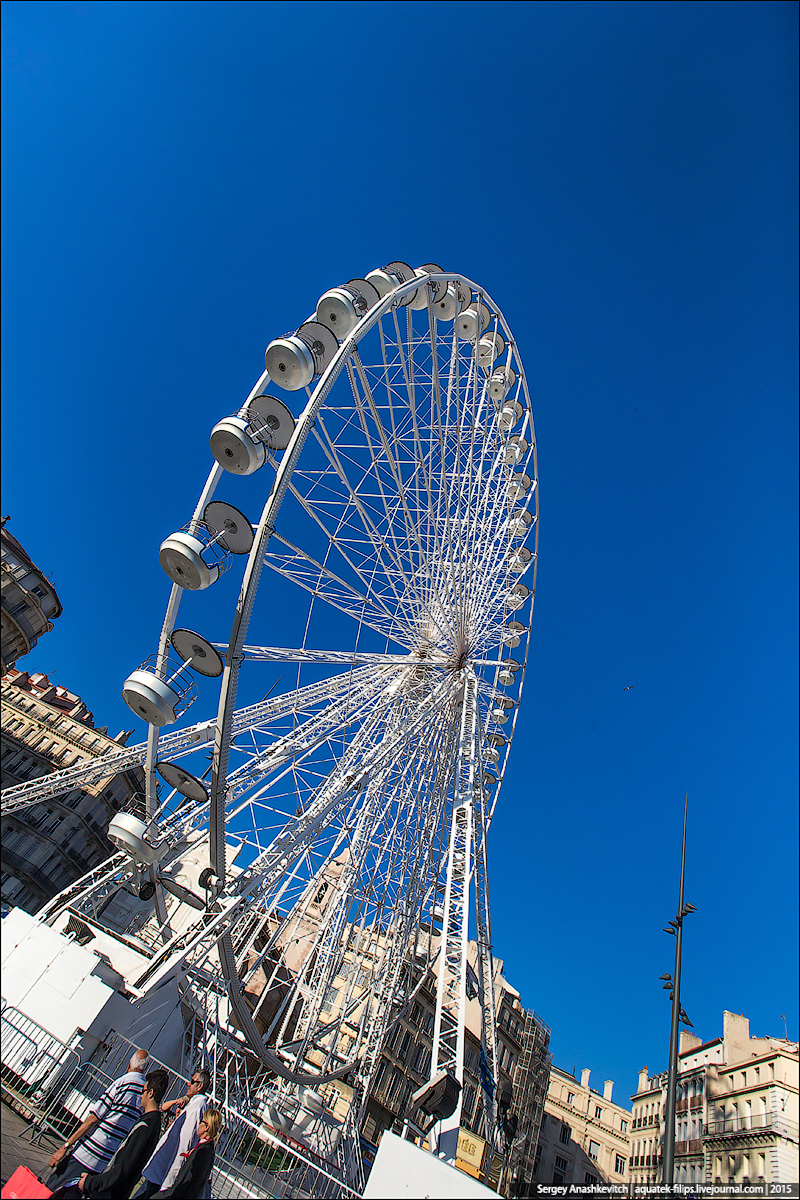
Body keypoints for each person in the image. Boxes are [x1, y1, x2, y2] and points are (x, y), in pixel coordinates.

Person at [47, 1049, 152, 1192]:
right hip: (105, 1160)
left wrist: (65, 1146)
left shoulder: (122, 1083)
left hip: (87, 1152)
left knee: (52, 1188)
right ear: (145, 1068)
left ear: (129, 1063)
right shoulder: (144, 1094)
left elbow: (93, 1119)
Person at [77, 1070, 168, 1199]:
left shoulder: (146, 1126)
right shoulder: (153, 1123)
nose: (140, 1096)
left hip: (112, 1193)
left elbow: (123, 1167)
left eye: (143, 1091)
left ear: (150, 1093)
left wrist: (91, 1183)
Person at [132, 1069, 210, 1199]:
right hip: (161, 1169)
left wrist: (171, 1180)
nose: (188, 1084)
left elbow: (185, 1144)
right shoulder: (193, 1105)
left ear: (199, 1086)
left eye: (192, 1081)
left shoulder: (197, 1108)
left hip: (164, 1172)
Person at [151, 1109, 222, 1200]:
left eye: (201, 1121)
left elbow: (183, 1183)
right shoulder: (208, 1149)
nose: (198, 1124)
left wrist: (158, 1197)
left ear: (206, 1127)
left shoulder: (202, 1151)